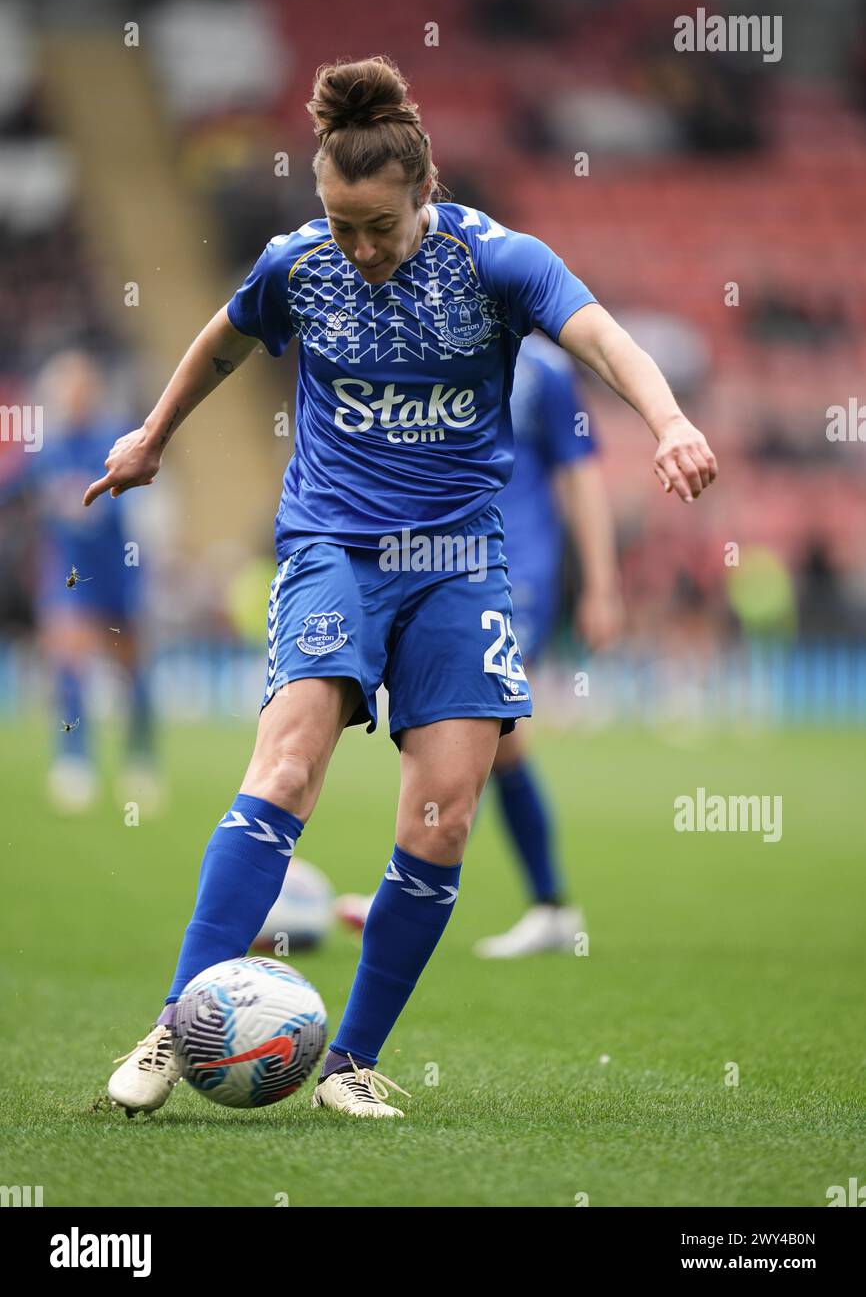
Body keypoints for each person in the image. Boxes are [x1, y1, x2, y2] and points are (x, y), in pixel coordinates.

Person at [91, 55, 717, 1121]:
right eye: (340, 223)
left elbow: (603, 338)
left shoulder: (499, 262)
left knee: (440, 820)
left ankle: (351, 1061)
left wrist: (667, 421)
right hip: (332, 545)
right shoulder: (299, 264)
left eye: (376, 225)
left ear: (424, 195)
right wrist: (153, 435)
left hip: (459, 562)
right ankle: (174, 1024)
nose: (358, 247)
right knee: (286, 766)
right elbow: (224, 339)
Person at [475, 330, 624, 957]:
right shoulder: (434, 343)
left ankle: (407, 887)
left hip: (516, 570)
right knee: (496, 740)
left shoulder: (545, 370)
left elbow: (581, 473)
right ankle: (552, 905)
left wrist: (601, 585)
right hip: (440, 565)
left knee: (477, 720)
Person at [3, 349, 159, 811]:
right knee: (68, 667)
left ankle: (141, 760)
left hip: (118, 577)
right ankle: (74, 762)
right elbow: (10, 488)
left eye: (79, 388)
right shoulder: (47, 451)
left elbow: (120, 504)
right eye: (64, 389)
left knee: (132, 674)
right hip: (70, 582)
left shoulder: (114, 441)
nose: (72, 397)